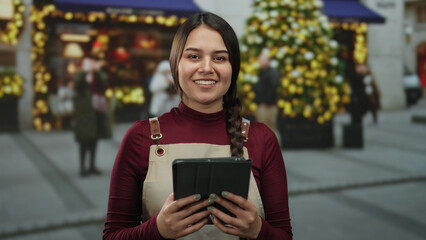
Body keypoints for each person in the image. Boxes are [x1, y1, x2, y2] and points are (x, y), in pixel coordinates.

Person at [103, 12, 292, 239]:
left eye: (220, 58)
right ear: (176, 64)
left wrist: (257, 230)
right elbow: (113, 235)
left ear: (233, 68)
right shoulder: (140, 137)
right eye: (193, 56)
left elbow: (284, 235)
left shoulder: (262, 139)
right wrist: (157, 230)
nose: (206, 67)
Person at [73, 55, 111, 177]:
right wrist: (84, 72)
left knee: (94, 139)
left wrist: (98, 71)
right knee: (84, 140)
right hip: (84, 112)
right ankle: (82, 167)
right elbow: (76, 83)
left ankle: (92, 165)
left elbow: (104, 83)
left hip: (96, 111)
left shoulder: (97, 76)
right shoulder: (80, 75)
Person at [253, 51, 281, 144]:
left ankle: (274, 149)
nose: (259, 62)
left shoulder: (272, 72)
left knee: (270, 128)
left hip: (268, 105)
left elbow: (273, 88)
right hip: (263, 104)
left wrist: (266, 102)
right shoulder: (263, 72)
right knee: (264, 129)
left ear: (268, 61)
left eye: (261, 60)